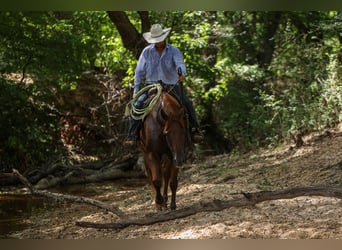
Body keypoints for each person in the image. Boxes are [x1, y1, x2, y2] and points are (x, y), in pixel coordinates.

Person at [124, 23, 202, 146]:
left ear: (164, 37)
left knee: (187, 103)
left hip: (171, 85)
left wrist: (181, 73)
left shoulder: (174, 51)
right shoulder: (146, 52)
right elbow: (139, 71)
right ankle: (132, 134)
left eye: (160, 39)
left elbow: (180, 63)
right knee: (138, 105)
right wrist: (136, 89)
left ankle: (195, 129)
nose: (158, 42)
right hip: (151, 85)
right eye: (156, 40)